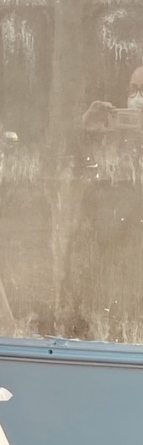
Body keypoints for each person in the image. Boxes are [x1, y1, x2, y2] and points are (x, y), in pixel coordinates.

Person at [58, 64, 143, 342]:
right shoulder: (112, 140)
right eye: (133, 90)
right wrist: (88, 132)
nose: (137, 99)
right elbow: (73, 179)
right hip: (106, 266)